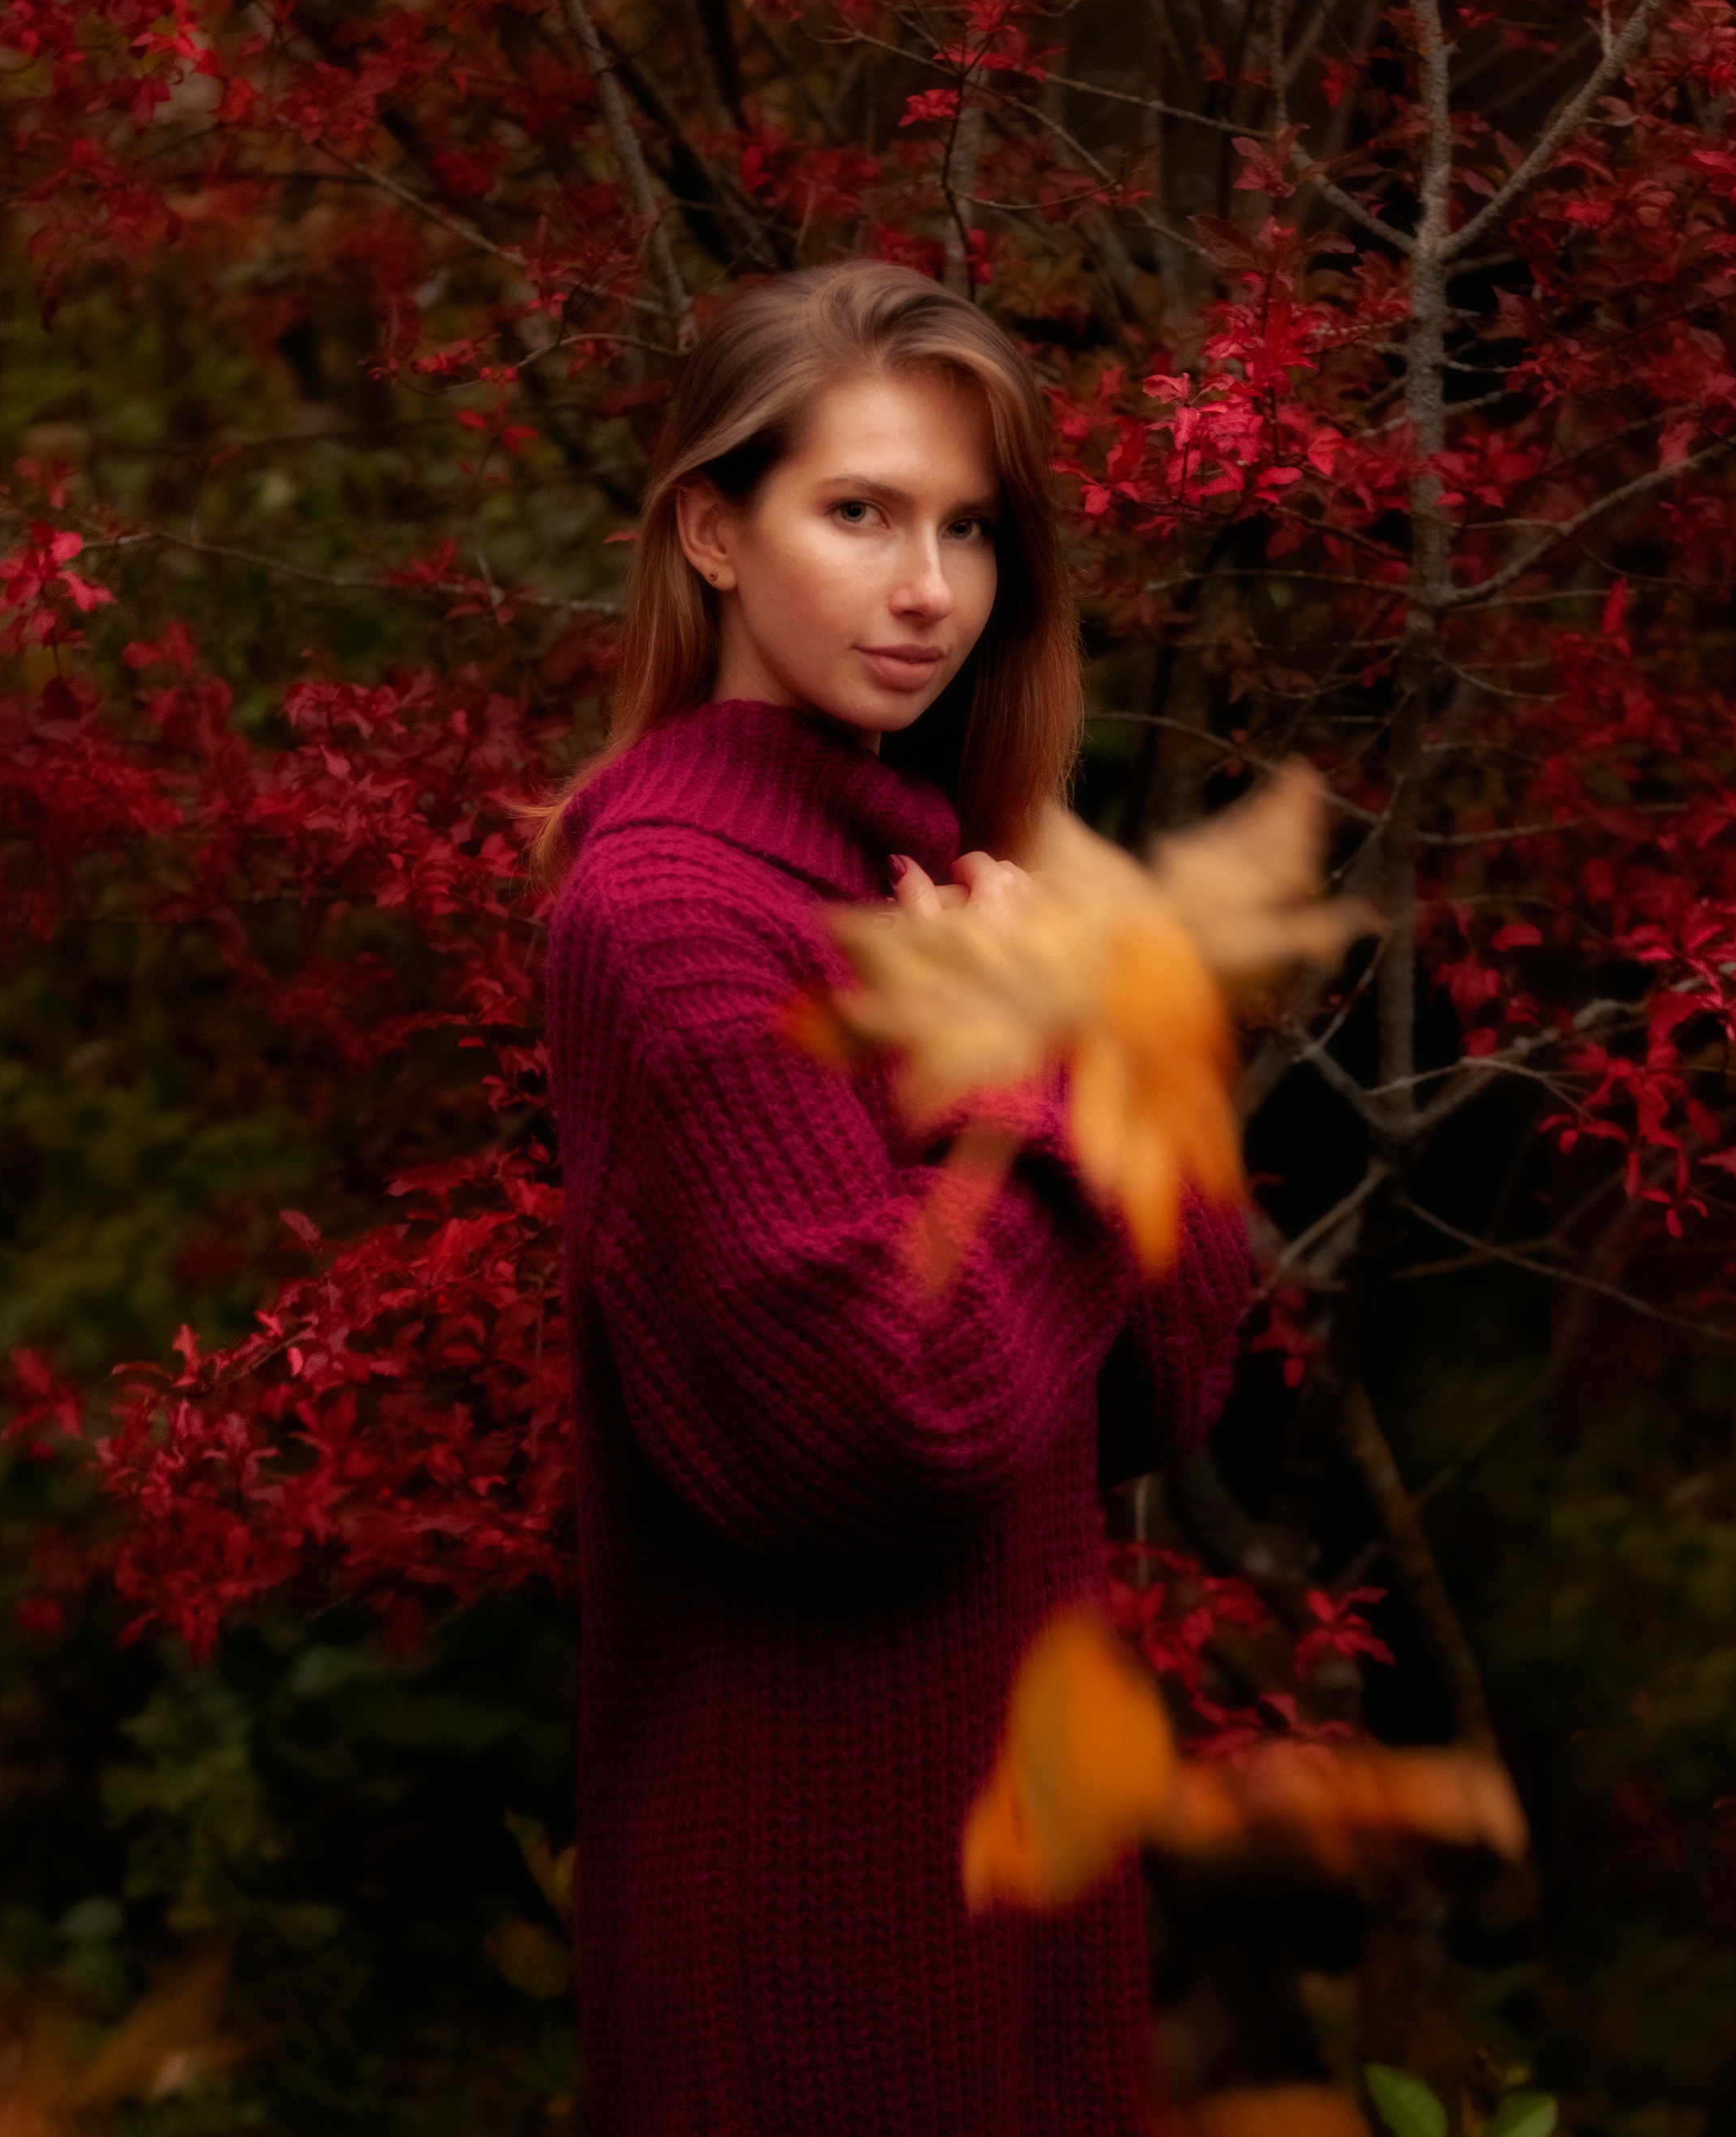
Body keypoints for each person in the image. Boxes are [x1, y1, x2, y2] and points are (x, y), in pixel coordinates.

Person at [536, 262, 1254, 2136]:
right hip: (804, 1930)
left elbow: (1164, 1385)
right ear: (710, 526)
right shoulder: (670, 912)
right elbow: (878, 1422)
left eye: (965, 528)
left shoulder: (944, 885)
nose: (925, 588)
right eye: (855, 513)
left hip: (1015, 1882)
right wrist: (1030, 1088)